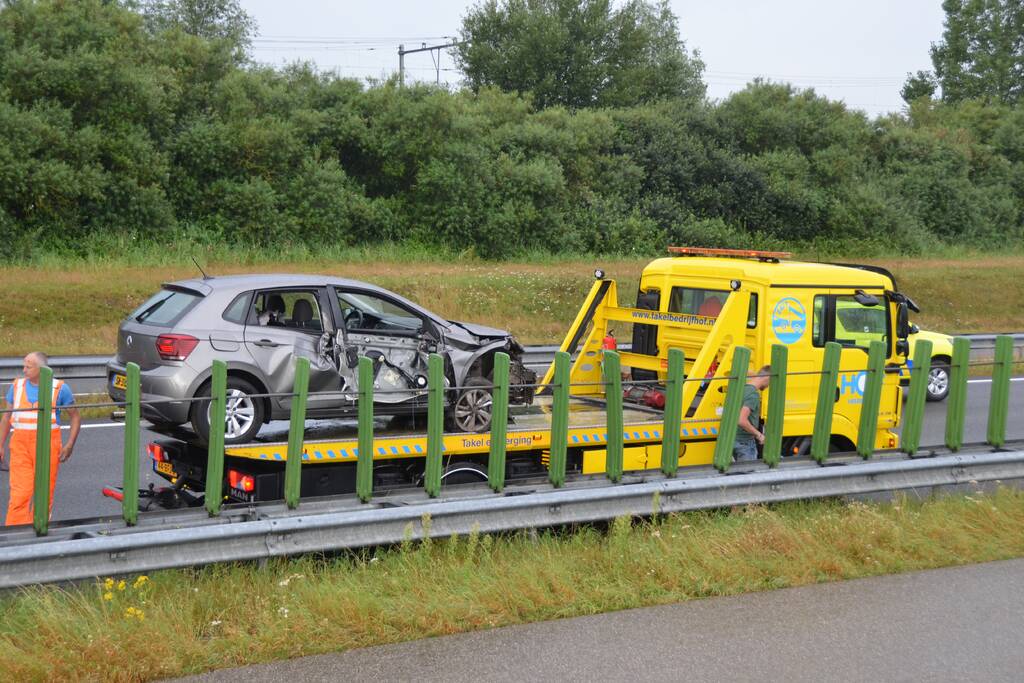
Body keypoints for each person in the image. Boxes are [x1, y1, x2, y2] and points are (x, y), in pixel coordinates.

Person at [0, 352, 81, 526]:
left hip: (48, 447)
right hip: (20, 446)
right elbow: (6, 417)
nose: (24, 370)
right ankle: (15, 534)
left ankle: (39, 530)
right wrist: (0, 444)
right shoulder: (17, 386)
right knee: (20, 493)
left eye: (28, 367)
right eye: (24, 366)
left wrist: (70, 445)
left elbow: (75, 416)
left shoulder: (59, 388)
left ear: (42, 369)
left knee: (44, 493)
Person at [734, 365, 771, 462]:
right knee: (747, 475)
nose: (768, 386)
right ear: (767, 378)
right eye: (770, 382)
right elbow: (741, 420)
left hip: (732, 438)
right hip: (744, 442)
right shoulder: (753, 395)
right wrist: (759, 435)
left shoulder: (741, 389)